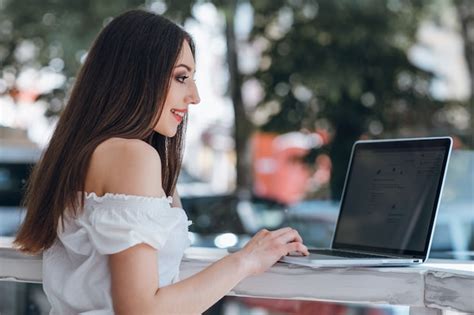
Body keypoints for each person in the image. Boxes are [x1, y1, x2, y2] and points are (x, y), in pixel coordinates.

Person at [14, 9, 309, 314]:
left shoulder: (80, 154)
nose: (194, 96)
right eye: (182, 77)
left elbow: (161, 285)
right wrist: (245, 260)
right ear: (136, 76)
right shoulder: (132, 157)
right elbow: (141, 309)